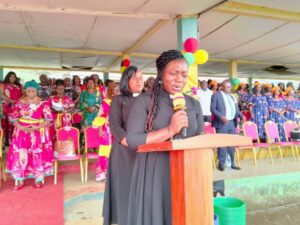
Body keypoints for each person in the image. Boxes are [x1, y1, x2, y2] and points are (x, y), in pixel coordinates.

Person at [126, 50, 203, 225]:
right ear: (161, 75)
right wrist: (170, 130)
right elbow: (133, 140)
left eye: (184, 74)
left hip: (187, 169)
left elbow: (199, 136)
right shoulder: (145, 101)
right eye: (173, 73)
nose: (179, 79)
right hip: (155, 171)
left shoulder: (193, 103)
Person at [103, 66, 144, 225]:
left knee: (143, 186)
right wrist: (129, 142)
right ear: (127, 81)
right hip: (124, 150)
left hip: (145, 149)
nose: (140, 80)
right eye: (135, 77)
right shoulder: (118, 100)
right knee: (125, 187)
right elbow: (114, 126)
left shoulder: (148, 99)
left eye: (141, 77)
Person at [6, 80, 54, 190]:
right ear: (25, 91)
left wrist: (37, 127)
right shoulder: (18, 102)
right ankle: (20, 178)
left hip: (37, 131)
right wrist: (22, 127)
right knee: (21, 154)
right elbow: (13, 119)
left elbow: (48, 120)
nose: (31, 93)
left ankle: (38, 178)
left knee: (37, 154)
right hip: (21, 132)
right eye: (28, 91)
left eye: (33, 90)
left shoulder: (44, 103)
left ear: (37, 91)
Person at [211, 80, 245, 171]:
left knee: (231, 144)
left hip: (231, 123)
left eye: (230, 87)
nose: (229, 89)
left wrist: (241, 115)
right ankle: (221, 164)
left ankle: (232, 163)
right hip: (222, 122)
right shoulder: (216, 95)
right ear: (222, 87)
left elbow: (236, 109)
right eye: (227, 87)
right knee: (222, 143)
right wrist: (221, 117)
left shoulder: (232, 96)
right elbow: (213, 108)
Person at [2, 71, 23, 145]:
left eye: (14, 76)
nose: (13, 78)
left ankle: (13, 140)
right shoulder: (3, 85)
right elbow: (1, 95)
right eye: (11, 76)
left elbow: (23, 95)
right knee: (5, 123)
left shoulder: (19, 85)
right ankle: (5, 141)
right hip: (6, 107)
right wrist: (11, 100)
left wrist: (18, 101)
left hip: (16, 107)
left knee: (15, 123)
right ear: (8, 77)